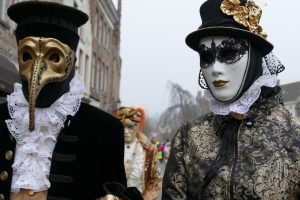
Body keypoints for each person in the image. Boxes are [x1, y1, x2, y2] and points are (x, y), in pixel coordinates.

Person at [0, 1, 142, 200]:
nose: (37, 69)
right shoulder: (3, 117)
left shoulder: (104, 129)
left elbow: (115, 190)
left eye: (54, 57)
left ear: (72, 61)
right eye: (27, 55)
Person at [162, 0, 300, 199]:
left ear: (254, 56)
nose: (215, 68)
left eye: (229, 53)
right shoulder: (188, 137)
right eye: (206, 57)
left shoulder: (294, 137)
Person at [114, 106, 162, 200]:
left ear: (138, 126)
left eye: (130, 127)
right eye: (122, 126)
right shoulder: (108, 146)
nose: (126, 131)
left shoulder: (148, 150)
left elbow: (155, 180)